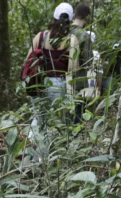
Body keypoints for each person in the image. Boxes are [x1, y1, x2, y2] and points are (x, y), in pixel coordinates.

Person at [26, 2, 75, 136]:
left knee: (38, 118)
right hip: (59, 84)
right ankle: (48, 154)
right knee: (55, 121)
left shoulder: (41, 36)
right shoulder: (71, 40)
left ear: (53, 19)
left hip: (39, 82)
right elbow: (72, 69)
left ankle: (32, 153)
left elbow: (28, 61)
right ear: (70, 21)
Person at [70, 3, 93, 124]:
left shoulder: (63, 31)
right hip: (78, 80)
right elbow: (88, 61)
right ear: (87, 17)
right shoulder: (84, 35)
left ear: (74, 15)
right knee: (78, 114)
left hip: (60, 80)